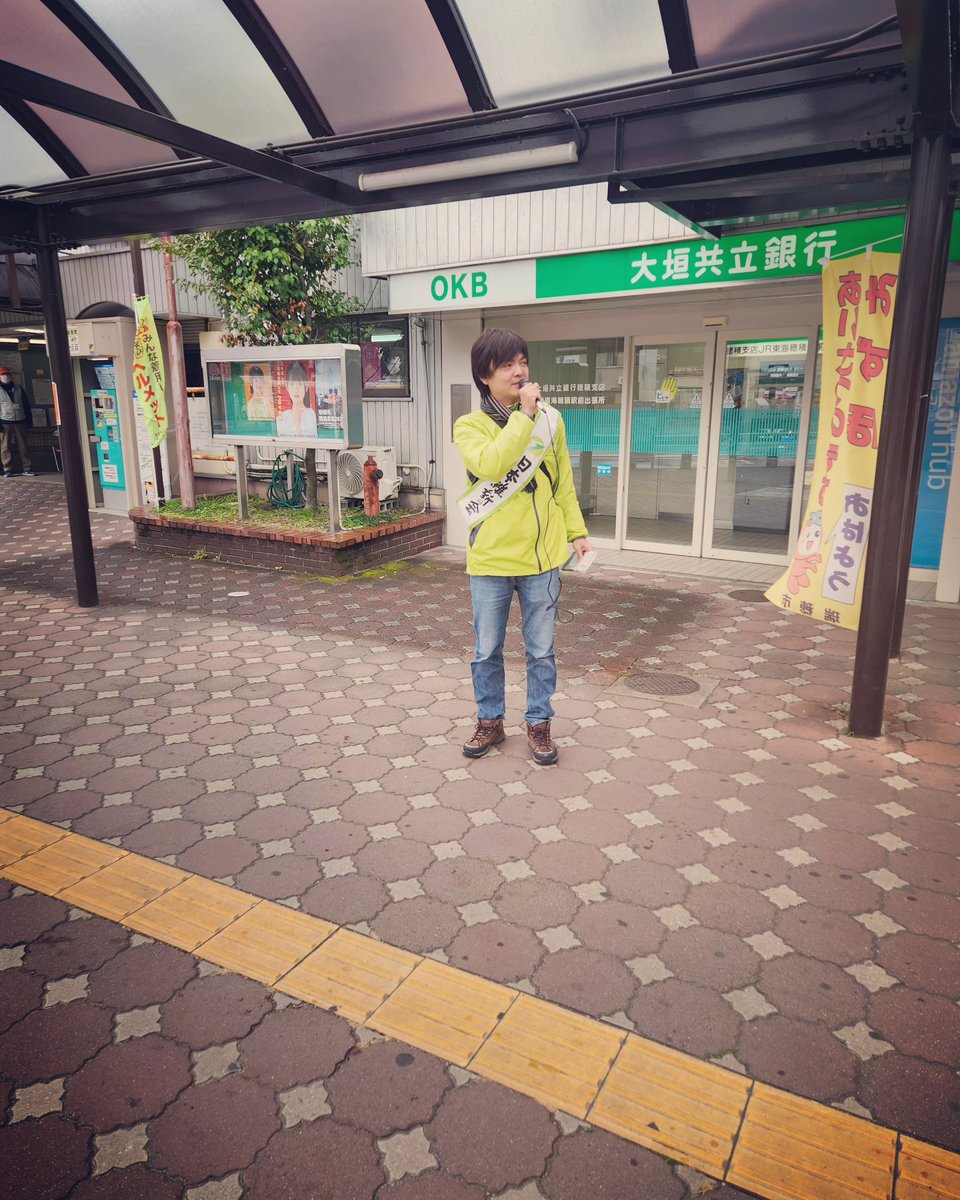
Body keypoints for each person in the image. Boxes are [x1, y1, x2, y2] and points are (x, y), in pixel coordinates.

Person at [454, 329, 592, 766]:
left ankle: (539, 724)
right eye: (507, 365)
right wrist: (524, 417)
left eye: (523, 362)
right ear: (484, 375)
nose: (519, 371)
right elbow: (493, 464)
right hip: (491, 559)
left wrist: (577, 531)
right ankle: (490, 721)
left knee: (541, 651)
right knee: (486, 650)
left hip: (542, 558)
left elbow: (563, 483)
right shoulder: (470, 426)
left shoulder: (551, 419)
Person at [0, 370, 34, 477]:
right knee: (5, 447)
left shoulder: (18, 388)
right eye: (3, 374)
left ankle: (27, 468)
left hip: (20, 420)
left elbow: (26, 405)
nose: (6, 376)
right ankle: (7, 469)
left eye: (7, 374)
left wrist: (29, 421)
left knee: (23, 445)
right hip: (4, 421)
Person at [275, 362, 318, 438]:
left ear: (306, 387)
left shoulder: (311, 415)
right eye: (292, 384)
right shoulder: (283, 416)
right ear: (287, 387)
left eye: (299, 384)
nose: (296, 390)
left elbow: (310, 443)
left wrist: (296, 423)